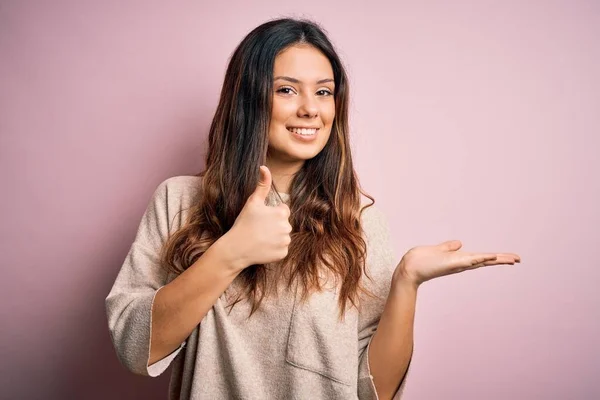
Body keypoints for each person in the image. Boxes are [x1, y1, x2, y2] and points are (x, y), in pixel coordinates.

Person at [105, 18, 520, 400]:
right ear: (249, 99)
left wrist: (407, 282)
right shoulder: (179, 202)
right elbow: (135, 349)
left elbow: (374, 390)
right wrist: (230, 253)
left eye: (324, 91)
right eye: (287, 89)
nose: (311, 109)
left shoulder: (359, 222)